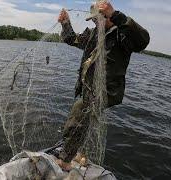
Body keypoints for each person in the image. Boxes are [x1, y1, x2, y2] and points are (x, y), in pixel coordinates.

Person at [57, 1, 150, 166]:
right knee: (85, 121)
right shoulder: (94, 34)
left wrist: (116, 15)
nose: (94, 22)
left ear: (107, 17)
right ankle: (80, 154)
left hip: (106, 91)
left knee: (78, 117)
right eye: (93, 20)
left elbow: (142, 40)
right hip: (89, 88)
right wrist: (65, 23)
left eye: (97, 19)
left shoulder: (123, 36)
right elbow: (73, 39)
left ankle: (64, 160)